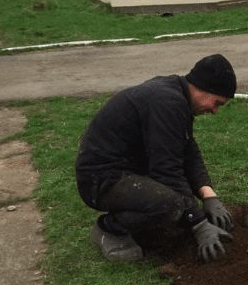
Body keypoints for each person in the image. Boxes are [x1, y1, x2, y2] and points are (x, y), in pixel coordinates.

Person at [75, 54, 237, 262]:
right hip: (100, 179)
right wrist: (199, 224)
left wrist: (209, 195)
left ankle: (137, 224)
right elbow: (167, 171)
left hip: (126, 169)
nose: (214, 111)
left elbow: (187, 150)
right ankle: (109, 229)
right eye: (217, 103)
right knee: (171, 204)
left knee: (176, 201)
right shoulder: (168, 102)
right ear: (205, 88)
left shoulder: (176, 94)